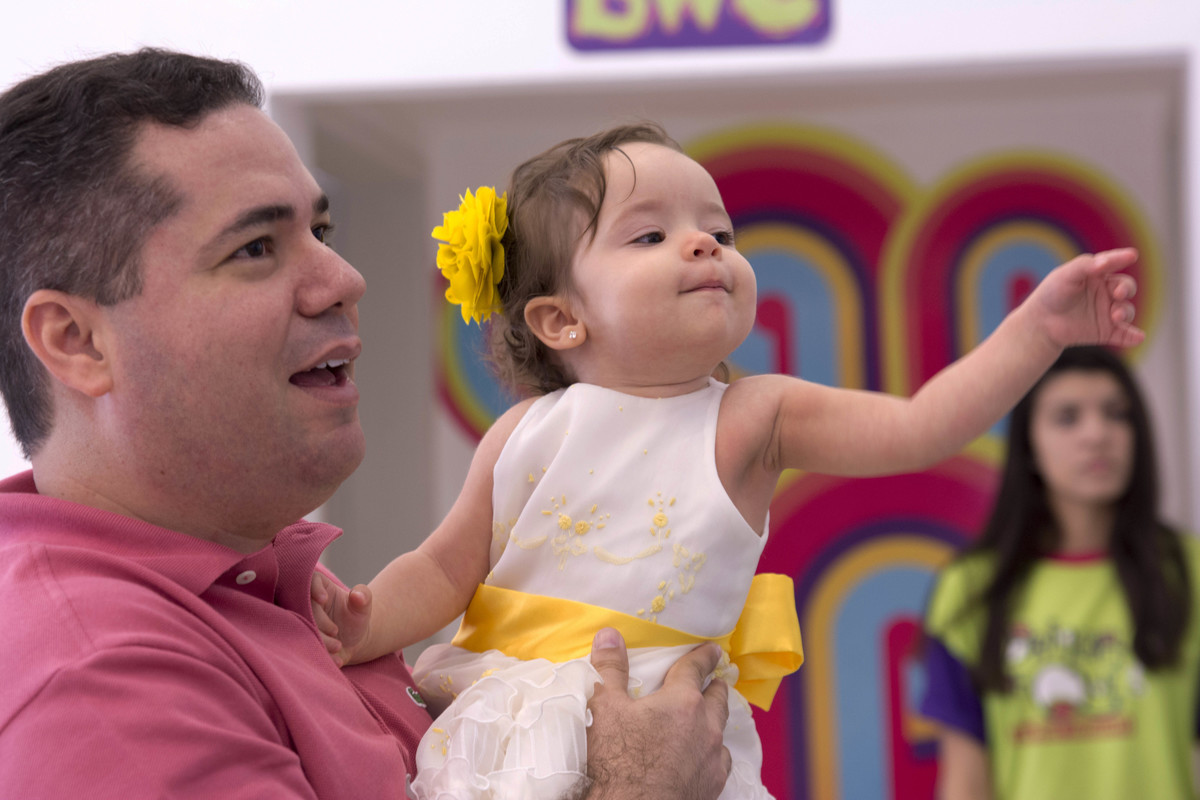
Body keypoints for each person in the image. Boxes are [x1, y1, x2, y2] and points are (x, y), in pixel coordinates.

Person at [309, 122, 1145, 799]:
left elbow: (922, 427)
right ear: (562, 320)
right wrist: (365, 617)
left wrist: (1037, 332)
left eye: (719, 231)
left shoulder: (753, 415)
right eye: (651, 234)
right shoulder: (528, 429)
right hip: (509, 716)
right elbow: (446, 565)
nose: (704, 246)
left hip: (671, 736)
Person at [0, 49, 735, 800]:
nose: (343, 279)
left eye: (321, 230)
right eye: (255, 248)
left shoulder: (268, 583)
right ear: (75, 341)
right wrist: (639, 786)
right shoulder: (101, 677)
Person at [920, 345, 1200, 800]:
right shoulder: (971, 588)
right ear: (1029, 444)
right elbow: (964, 780)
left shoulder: (1188, 570)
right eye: (1068, 417)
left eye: (1117, 414)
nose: (1097, 434)